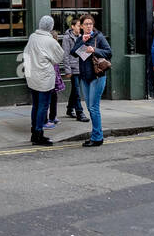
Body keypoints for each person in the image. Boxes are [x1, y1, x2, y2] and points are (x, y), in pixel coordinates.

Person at [23, 14, 64, 145]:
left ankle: (34, 132)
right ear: (51, 27)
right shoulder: (51, 41)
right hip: (45, 79)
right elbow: (59, 58)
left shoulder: (32, 37)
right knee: (43, 107)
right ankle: (38, 133)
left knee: (35, 105)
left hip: (32, 77)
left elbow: (26, 54)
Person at [73, 13, 112, 147]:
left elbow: (109, 52)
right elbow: (73, 52)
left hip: (97, 76)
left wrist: (94, 49)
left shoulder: (99, 37)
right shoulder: (80, 38)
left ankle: (97, 137)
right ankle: (97, 135)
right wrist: (81, 42)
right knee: (90, 107)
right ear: (81, 26)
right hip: (85, 77)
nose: (89, 26)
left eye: (91, 24)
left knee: (94, 108)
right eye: (86, 24)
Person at [60, 17, 87, 122]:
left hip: (81, 67)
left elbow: (83, 54)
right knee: (77, 90)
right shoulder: (67, 38)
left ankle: (69, 108)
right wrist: (67, 70)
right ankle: (79, 112)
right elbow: (65, 55)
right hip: (72, 68)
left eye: (81, 26)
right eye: (78, 25)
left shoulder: (81, 37)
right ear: (72, 26)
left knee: (75, 90)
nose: (80, 27)